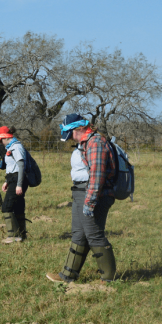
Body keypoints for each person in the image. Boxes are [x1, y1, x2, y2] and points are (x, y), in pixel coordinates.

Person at [46, 113, 117, 283]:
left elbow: (97, 175)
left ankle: (109, 279)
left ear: (79, 128)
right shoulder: (85, 143)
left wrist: (90, 202)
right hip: (80, 192)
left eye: (71, 134)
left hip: (94, 194)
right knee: (79, 234)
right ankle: (67, 275)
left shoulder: (96, 143)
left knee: (94, 234)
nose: (70, 138)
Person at [0, 126, 28, 243]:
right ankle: (22, 235)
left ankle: (13, 236)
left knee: (7, 207)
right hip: (13, 179)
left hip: (18, 180)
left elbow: (21, 166)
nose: (1, 143)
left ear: (5, 137)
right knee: (18, 206)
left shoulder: (16, 147)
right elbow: (11, 167)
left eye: (1, 140)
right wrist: (7, 182)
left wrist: (19, 184)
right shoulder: (11, 147)